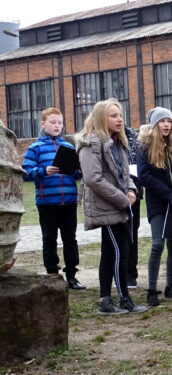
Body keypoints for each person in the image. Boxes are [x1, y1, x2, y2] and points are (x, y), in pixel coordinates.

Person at [76, 99, 148, 315]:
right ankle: (123, 298)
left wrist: (132, 190)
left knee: (110, 252)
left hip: (119, 203)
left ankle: (106, 301)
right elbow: (93, 178)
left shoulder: (118, 142)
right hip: (107, 206)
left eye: (120, 115)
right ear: (101, 118)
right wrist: (122, 198)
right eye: (114, 115)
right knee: (120, 251)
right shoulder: (91, 143)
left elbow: (125, 173)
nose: (119, 119)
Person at [22, 107, 85, 290]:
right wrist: (43, 171)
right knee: (49, 238)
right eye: (53, 122)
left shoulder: (69, 147)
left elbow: (74, 175)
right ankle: (52, 275)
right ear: (43, 124)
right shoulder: (35, 148)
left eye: (60, 122)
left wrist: (78, 172)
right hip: (47, 202)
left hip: (69, 201)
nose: (57, 126)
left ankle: (72, 275)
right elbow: (26, 173)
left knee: (70, 238)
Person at [138, 107, 172, 307]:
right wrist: (167, 194)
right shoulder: (145, 147)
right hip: (158, 203)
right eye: (162, 121)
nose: (167, 125)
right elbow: (145, 176)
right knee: (157, 243)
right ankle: (152, 289)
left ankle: (170, 287)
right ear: (155, 125)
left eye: (169, 121)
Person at [123, 122, 143, 289]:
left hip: (134, 193)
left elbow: (141, 164)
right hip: (113, 195)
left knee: (132, 234)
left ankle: (131, 273)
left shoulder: (134, 140)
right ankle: (119, 272)